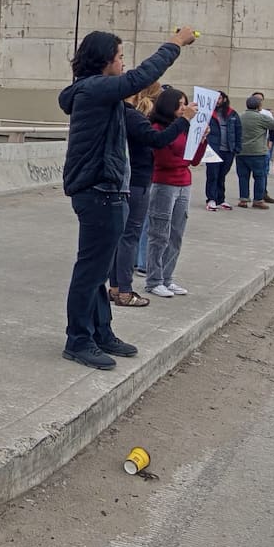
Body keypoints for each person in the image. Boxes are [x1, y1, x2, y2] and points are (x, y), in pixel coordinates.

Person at [59, 27, 197, 369]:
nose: (124, 63)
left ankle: (101, 332)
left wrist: (182, 123)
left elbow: (150, 136)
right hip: (98, 191)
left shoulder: (107, 100)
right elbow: (142, 76)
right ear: (105, 60)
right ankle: (78, 340)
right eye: (120, 56)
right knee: (90, 271)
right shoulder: (94, 89)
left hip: (111, 191)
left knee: (100, 271)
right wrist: (176, 43)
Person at [109, 83, 194, 306]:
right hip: (138, 182)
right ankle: (125, 290)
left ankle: (118, 287)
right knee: (133, 236)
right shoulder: (137, 120)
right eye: (180, 105)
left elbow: (189, 157)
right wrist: (185, 121)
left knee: (131, 236)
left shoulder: (122, 116)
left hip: (134, 181)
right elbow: (159, 145)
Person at [145, 88, 206, 297]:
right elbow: (165, 160)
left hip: (184, 184)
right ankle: (154, 279)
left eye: (185, 104)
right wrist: (185, 161)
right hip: (165, 183)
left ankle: (167, 277)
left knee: (176, 233)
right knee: (159, 233)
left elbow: (195, 159)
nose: (184, 109)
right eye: (180, 105)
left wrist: (202, 140)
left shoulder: (184, 128)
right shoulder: (158, 129)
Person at [237, 94, 274, 209]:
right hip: (257, 152)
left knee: (243, 177)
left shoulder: (240, 116)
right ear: (259, 106)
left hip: (241, 152)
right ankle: (258, 200)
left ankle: (243, 200)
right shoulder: (261, 117)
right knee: (260, 176)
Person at [204, 91, 241, 211]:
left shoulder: (232, 114)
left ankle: (221, 198)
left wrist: (237, 148)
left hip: (228, 150)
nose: (217, 101)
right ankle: (211, 199)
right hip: (213, 149)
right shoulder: (208, 114)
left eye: (219, 98)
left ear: (224, 99)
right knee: (212, 174)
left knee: (222, 175)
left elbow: (238, 131)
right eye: (215, 98)